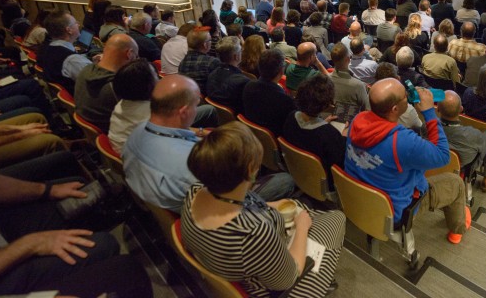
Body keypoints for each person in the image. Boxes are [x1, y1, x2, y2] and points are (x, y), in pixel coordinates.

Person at [180, 125, 345, 297]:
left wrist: (270, 205)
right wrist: (302, 228)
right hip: (269, 286)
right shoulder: (254, 234)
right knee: (336, 218)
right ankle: (320, 282)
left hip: (245, 261)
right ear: (250, 170)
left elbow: (238, 204)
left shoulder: (195, 190)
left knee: (303, 209)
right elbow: (290, 276)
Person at [123, 75, 294, 212]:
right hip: (215, 208)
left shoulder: (136, 132)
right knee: (285, 180)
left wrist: (198, 131)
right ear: (183, 111)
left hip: (162, 202)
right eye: (196, 105)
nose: (197, 109)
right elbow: (232, 194)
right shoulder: (196, 163)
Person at [0, 168, 152, 297]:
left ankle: (122, 209)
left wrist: (48, 190)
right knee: (121, 264)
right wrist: (28, 244)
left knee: (77, 191)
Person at [345, 78, 470, 244]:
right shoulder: (402, 142)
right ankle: (457, 229)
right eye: (405, 96)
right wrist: (429, 112)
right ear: (395, 109)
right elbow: (443, 156)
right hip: (394, 211)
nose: (409, 96)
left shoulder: (358, 120)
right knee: (455, 182)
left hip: (357, 198)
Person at [283, 74, 346, 189]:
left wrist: (322, 122)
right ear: (326, 104)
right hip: (324, 185)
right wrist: (342, 136)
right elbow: (339, 167)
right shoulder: (330, 135)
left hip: (296, 172)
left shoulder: (290, 117)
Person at [437, 90, 486, 191]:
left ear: (438, 109)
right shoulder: (472, 134)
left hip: (433, 165)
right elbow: (480, 148)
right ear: (461, 109)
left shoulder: (426, 127)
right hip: (464, 167)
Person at [74, 33, 139, 132]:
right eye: (136, 56)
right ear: (129, 54)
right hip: (116, 135)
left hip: (92, 133)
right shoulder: (118, 87)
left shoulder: (85, 70)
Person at [108, 58, 158, 153]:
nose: (158, 79)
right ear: (146, 85)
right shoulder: (153, 116)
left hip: (129, 152)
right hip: (145, 159)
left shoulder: (122, 103)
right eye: (155, 76)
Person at [38, 9, 94, 93]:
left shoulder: (48, 49)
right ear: (69, 30)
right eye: (75, 23)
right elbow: (97, 82)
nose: (78, 25)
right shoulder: (72, 60)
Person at [206, 36, 252, 115]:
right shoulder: (243, 82)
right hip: (236, 123)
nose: (242, 51)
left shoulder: (211, 74)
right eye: (241, 50)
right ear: (236, 56)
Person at [329, 42, 369, 125]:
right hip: (352, 125)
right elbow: (366, 110)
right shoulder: (358, 85)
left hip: (330, 121)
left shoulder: (326, 79)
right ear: (348, 59)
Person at [178, 27, 221, 94]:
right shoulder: (212, 62)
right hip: (207, 100)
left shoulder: (182, 62)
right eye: (210, 40)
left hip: (189, 97)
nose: (211, 41)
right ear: (205, 45)